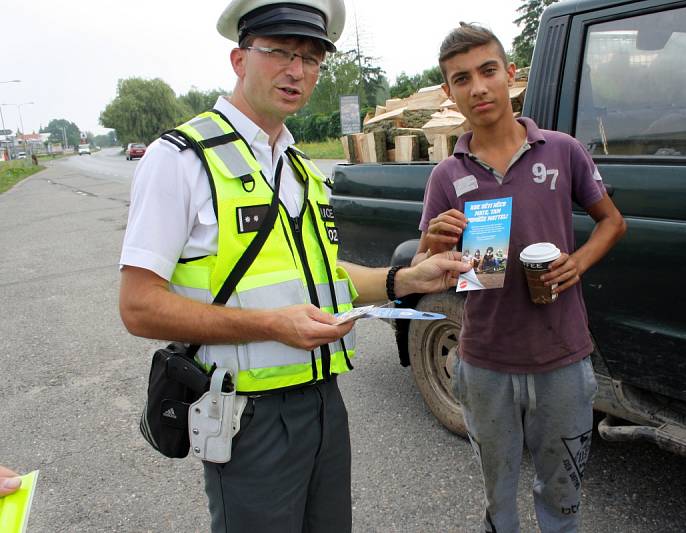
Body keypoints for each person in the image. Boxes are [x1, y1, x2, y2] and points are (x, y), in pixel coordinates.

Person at [117, 1, 469, 531]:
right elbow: (138, 307)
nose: (296, 70)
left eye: (311, 57)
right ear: (239, 59)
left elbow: (323, 278)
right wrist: (271, 325)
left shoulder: (300, 168)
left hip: (324, 403)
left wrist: (404, 280)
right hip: (247, 416)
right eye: (279, 52)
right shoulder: (182, 159)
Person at [414, 23, 626, 533]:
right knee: (498, 495)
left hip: (562, 358)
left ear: (510, 75)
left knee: (562, 496)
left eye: (488, 71)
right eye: (461, 79)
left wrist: (579, 261)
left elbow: (612, 222)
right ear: (449, 92)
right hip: (484, 362)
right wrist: (438, 241)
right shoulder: (447, 176)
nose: (479, 87)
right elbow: (423, 267)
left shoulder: (562, 150)